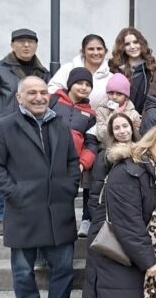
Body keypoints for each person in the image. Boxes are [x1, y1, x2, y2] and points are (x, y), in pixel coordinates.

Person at [0, 76, 80, 298]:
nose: (39, 97)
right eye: (32, 92)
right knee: (24, 271)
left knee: (63, 267)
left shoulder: (59, 124)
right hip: (23, 209)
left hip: (59, 208)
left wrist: (69, 187)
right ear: (19, 97)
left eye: (43, 92)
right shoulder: (4, 126)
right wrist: (14, 193)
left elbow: (72, 161)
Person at [81, 123, 156, 298]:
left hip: (153, 263)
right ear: (149, 143)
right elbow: (128, 224)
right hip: (121, 260)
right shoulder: (127, 170)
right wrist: (150, 263)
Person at [0, 28, 51, 235]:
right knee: (0, 170)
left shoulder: (43, 72)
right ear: (12, 45)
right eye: (21, 42)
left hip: (34, 133)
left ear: (36, 45)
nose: (26, 45)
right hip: (4, 132)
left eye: (30, 42)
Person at [48, 67, 99, 238]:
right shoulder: (53, 100)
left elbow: (91, 143)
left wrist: (82, 164)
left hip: (71, 165)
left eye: (87, 84)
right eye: (79, 83)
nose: (83, 87)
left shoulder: (90, 114)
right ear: (70, 84)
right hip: (47, 161)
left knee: (64, 206)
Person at [88, 113, 138, 219]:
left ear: (132, 128)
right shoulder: (106, 156)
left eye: (125, 126)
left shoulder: (143, 153)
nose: (122, 131)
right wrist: (98, 220)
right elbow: (96, 191)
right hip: (114, 212)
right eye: (116, 128)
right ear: (112, 133)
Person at [48, 34, 112, 105]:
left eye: (99, 49)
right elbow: (52, 90)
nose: (96, 53)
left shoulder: (111, 78)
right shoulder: (68, 68)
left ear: (105, 51)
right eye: (91, 49)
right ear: (83, 52)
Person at [108, 27, 156, 112]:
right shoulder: (114, 69)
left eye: (135, 42)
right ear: (122, 47)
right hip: (119, 119)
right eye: (127, 44)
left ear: (142, 43)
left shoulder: (152, 69)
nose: (132, 46)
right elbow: (108, 98)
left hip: (144, 119)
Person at [93, 72, 142, 146]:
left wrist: (135, 129)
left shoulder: (133, 113)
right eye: (111, 93)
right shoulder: (101, 110)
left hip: (129, 149)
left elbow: (138, 138)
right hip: (107, 149)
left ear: (126, 96)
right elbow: (100, 136)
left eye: (119, 94)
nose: (114, 97)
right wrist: (113, 115)